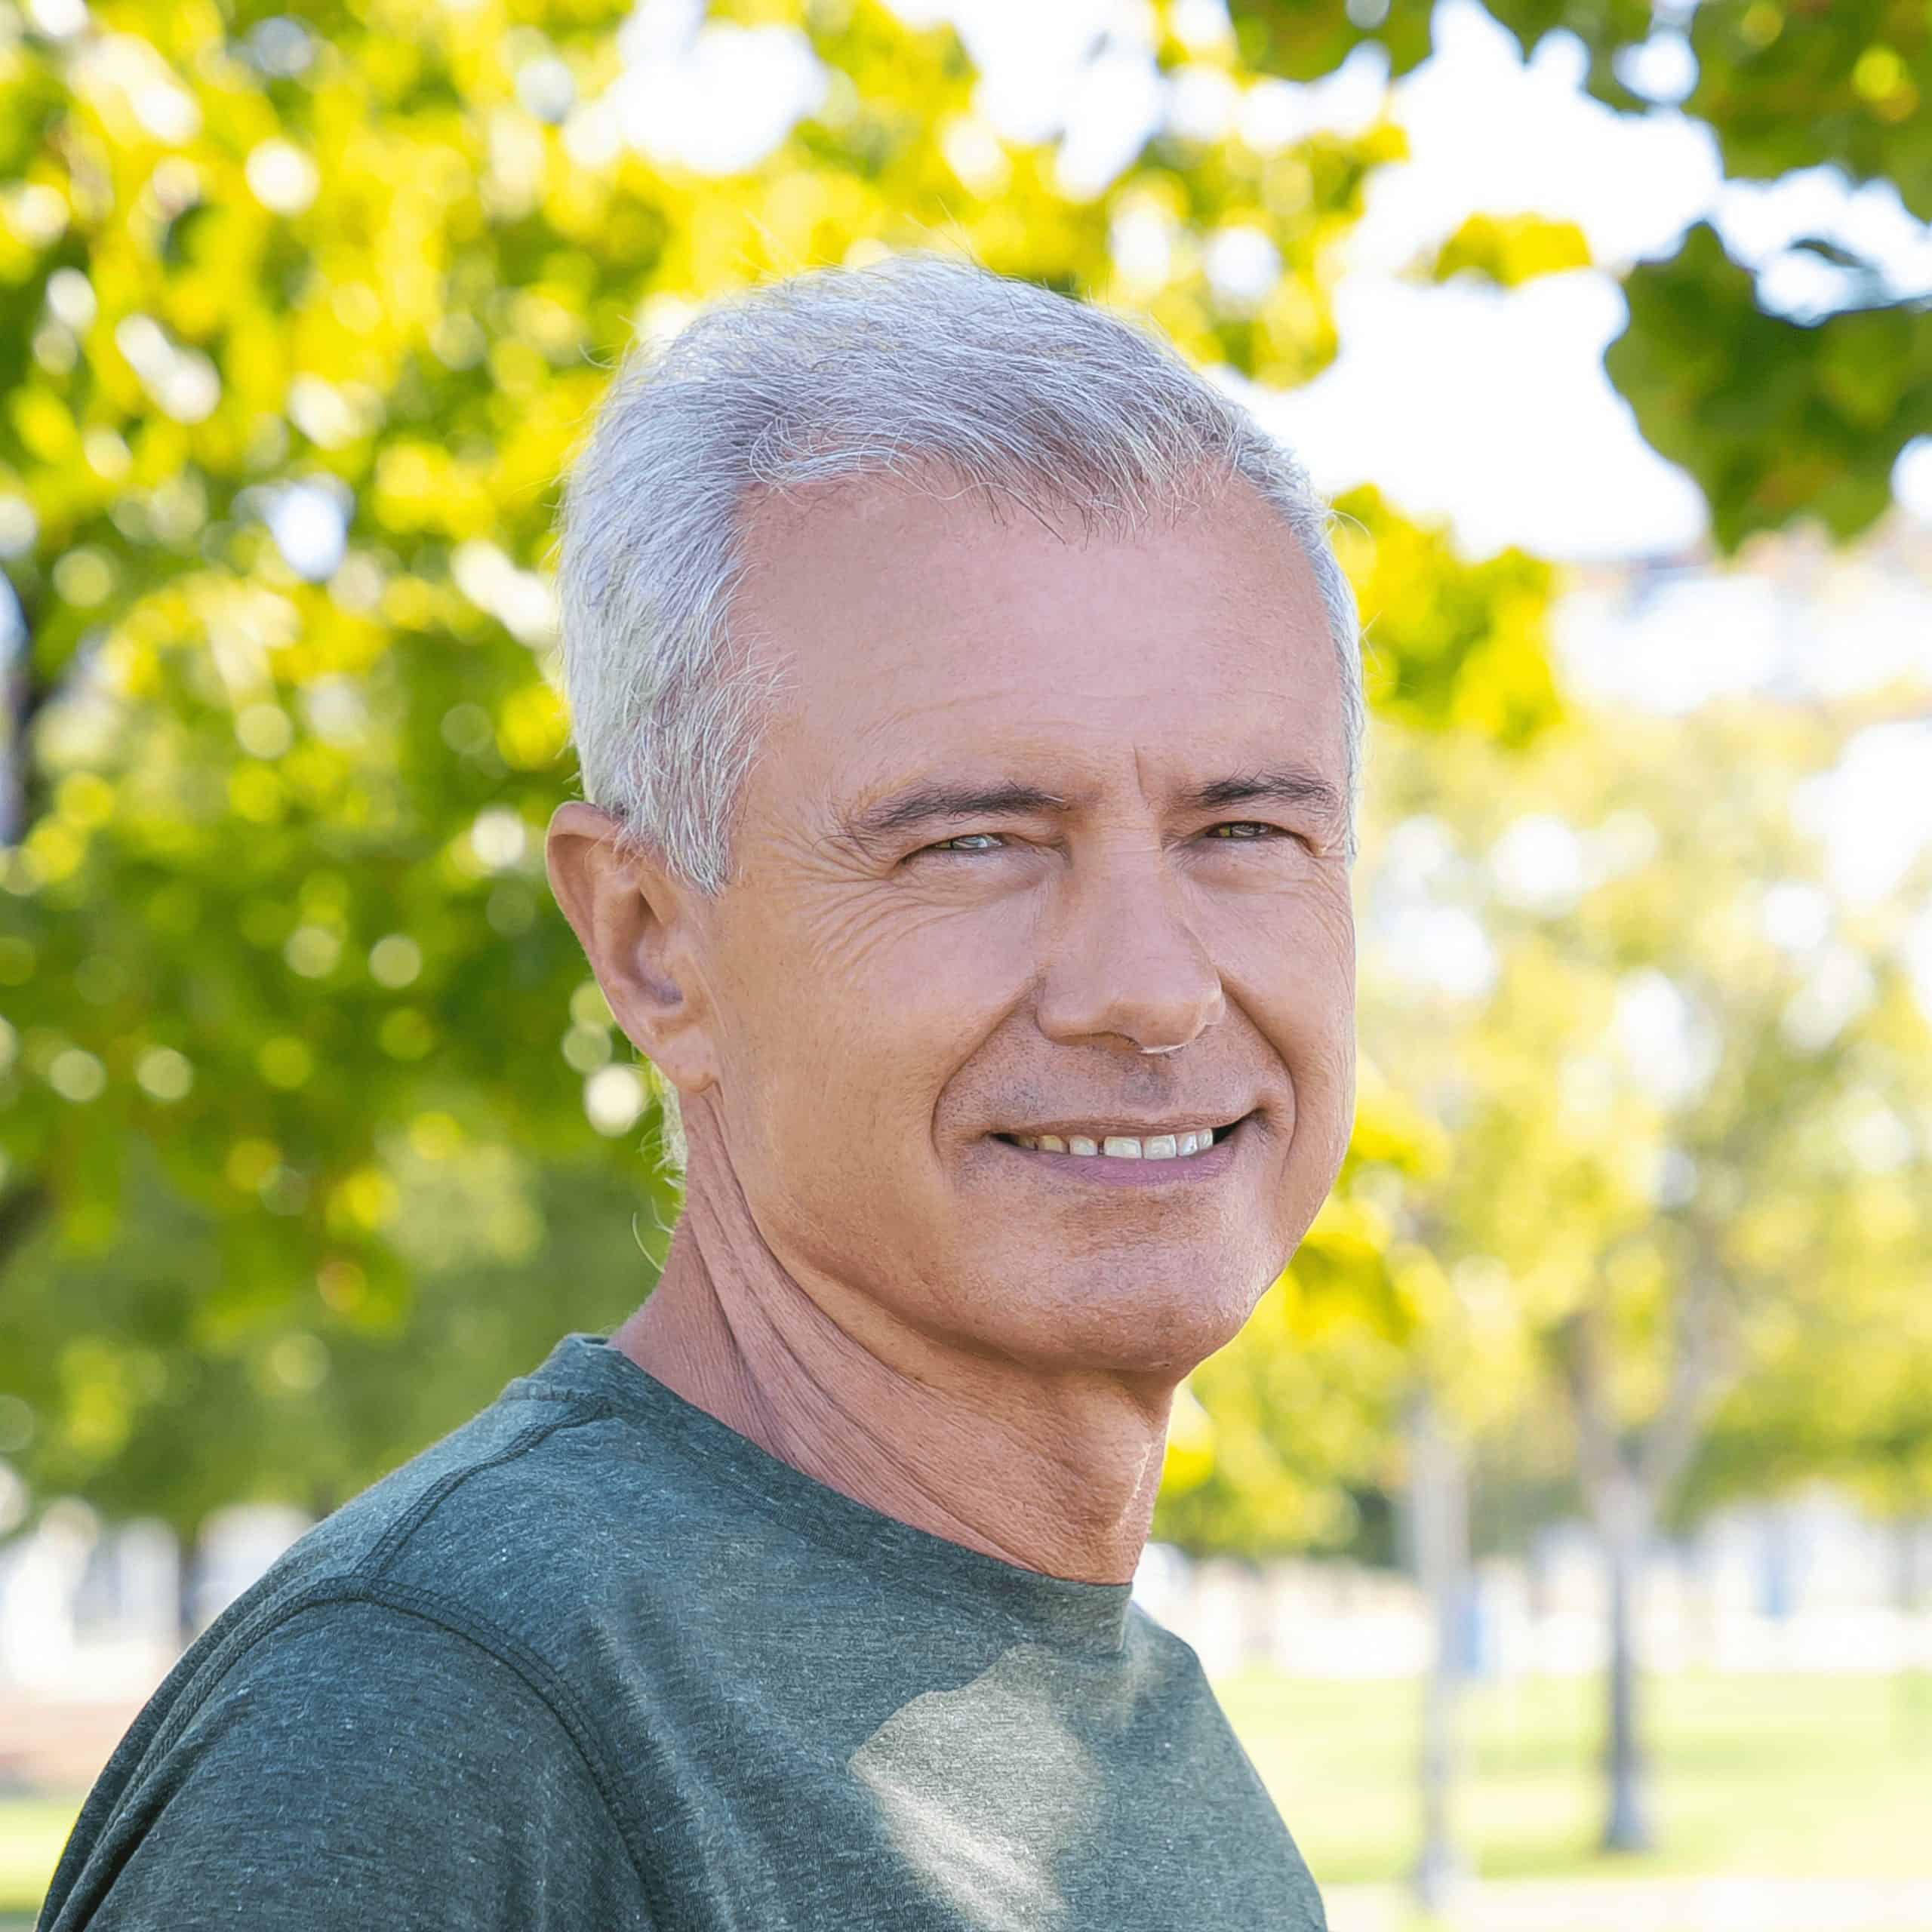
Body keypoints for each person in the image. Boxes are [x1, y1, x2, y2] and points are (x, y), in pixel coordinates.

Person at [40, 253, 1361, 1930]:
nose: (1149, 985)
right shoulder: (445, 1723)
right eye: (973, 841)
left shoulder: (1105, 1709)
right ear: (653, 942)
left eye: (1240, 831)